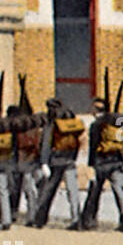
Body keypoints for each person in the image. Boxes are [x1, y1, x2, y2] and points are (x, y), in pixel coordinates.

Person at [82, 96, 123, 231]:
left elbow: (93, 146)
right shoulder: (121, 122)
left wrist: (91, 165)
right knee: (120, 192)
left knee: (95, 192)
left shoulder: (96, 125)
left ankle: (90, 221)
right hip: (116, 161)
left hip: (101, 162)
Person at [33, 98, 83, 229]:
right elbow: (78, 142)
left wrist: (44, 162)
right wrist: (74, 157)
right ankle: (76, 219)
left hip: (55, 162)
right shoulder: (71, 122)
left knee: (48, 191)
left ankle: (40, 219)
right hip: (69, 160)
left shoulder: (52, 123)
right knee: (73, 192)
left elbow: (46, 143)